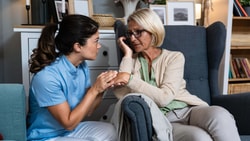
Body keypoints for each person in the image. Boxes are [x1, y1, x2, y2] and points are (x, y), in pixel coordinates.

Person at [112, 8, 241, 141]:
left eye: (138, 32)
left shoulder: (174, 57)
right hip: (164, 120)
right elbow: (121, 93)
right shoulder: (131, 62)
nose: (132, 38)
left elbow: (164, 97)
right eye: (129, 34)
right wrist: (127, 55)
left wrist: (130, 79)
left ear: (153, 30)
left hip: (188, 110)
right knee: (200, 138)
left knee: (220, 114)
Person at [26, 15, 118, 141]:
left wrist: (103, 88)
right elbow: (68, 123)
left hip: (70, 131)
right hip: (46, 137)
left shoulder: (81, 66)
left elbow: (89, 110)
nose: (99, 46)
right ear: (78, 46)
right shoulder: (47, 77)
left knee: (111, 131)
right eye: (96, 41)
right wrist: (94, 90)